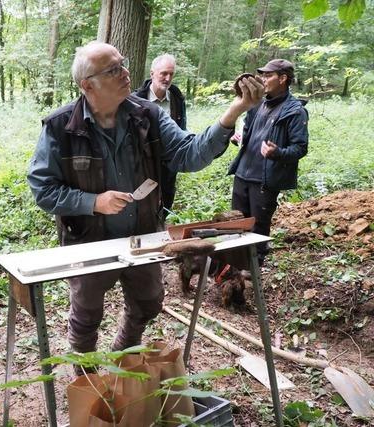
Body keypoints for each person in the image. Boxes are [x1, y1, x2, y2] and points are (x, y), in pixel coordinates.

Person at [27, 41, 263, 370]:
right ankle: (86, 377)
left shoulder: (147, 115)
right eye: (113, 70)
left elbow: (189, 154)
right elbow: (42, 188)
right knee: (86, 316)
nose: (126, 73)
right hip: (88, 241)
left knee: (148, 302)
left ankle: (122, 359)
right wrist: (93, 201)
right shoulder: (60, 126)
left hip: (143, 237)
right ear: (87, 84)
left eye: (123, 64)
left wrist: (235, 110)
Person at [228, 59, 309, 265]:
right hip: (242, 174)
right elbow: (248, 131)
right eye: (262, 75)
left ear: (282, 79)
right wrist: (239, 139)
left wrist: (277, 152)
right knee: (236, 225)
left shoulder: (294, 110)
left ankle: (253, 274)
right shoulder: (257, 104)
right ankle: (235, 270)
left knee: (258, 230)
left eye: (268, 75)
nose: (263, 79)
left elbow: (300, 148)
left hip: (264, 180)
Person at [134, 54, 186, 220]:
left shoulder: (177, 99)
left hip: (168, 165)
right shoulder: (136, 100)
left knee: (165, 204)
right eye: (163, 73)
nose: (167, 78)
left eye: (171, 74)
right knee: (141, 205)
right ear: (152, 73)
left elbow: (181, 129)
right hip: (143, 165)